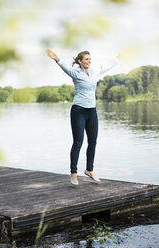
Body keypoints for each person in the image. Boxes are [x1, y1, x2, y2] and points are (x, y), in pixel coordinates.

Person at [46, 48, 119, 185]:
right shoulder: (75, 73)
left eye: (90, 59)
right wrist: (57, 59)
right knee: (78, 142)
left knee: (93, 142)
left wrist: (118, 58)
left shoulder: (94, 71)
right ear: (80, 61)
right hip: (78, 111)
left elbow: (107, 67)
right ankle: (73, 173)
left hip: (92, 111)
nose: (89, 61)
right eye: (86, 59)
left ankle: (89, 170)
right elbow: (65, 68)